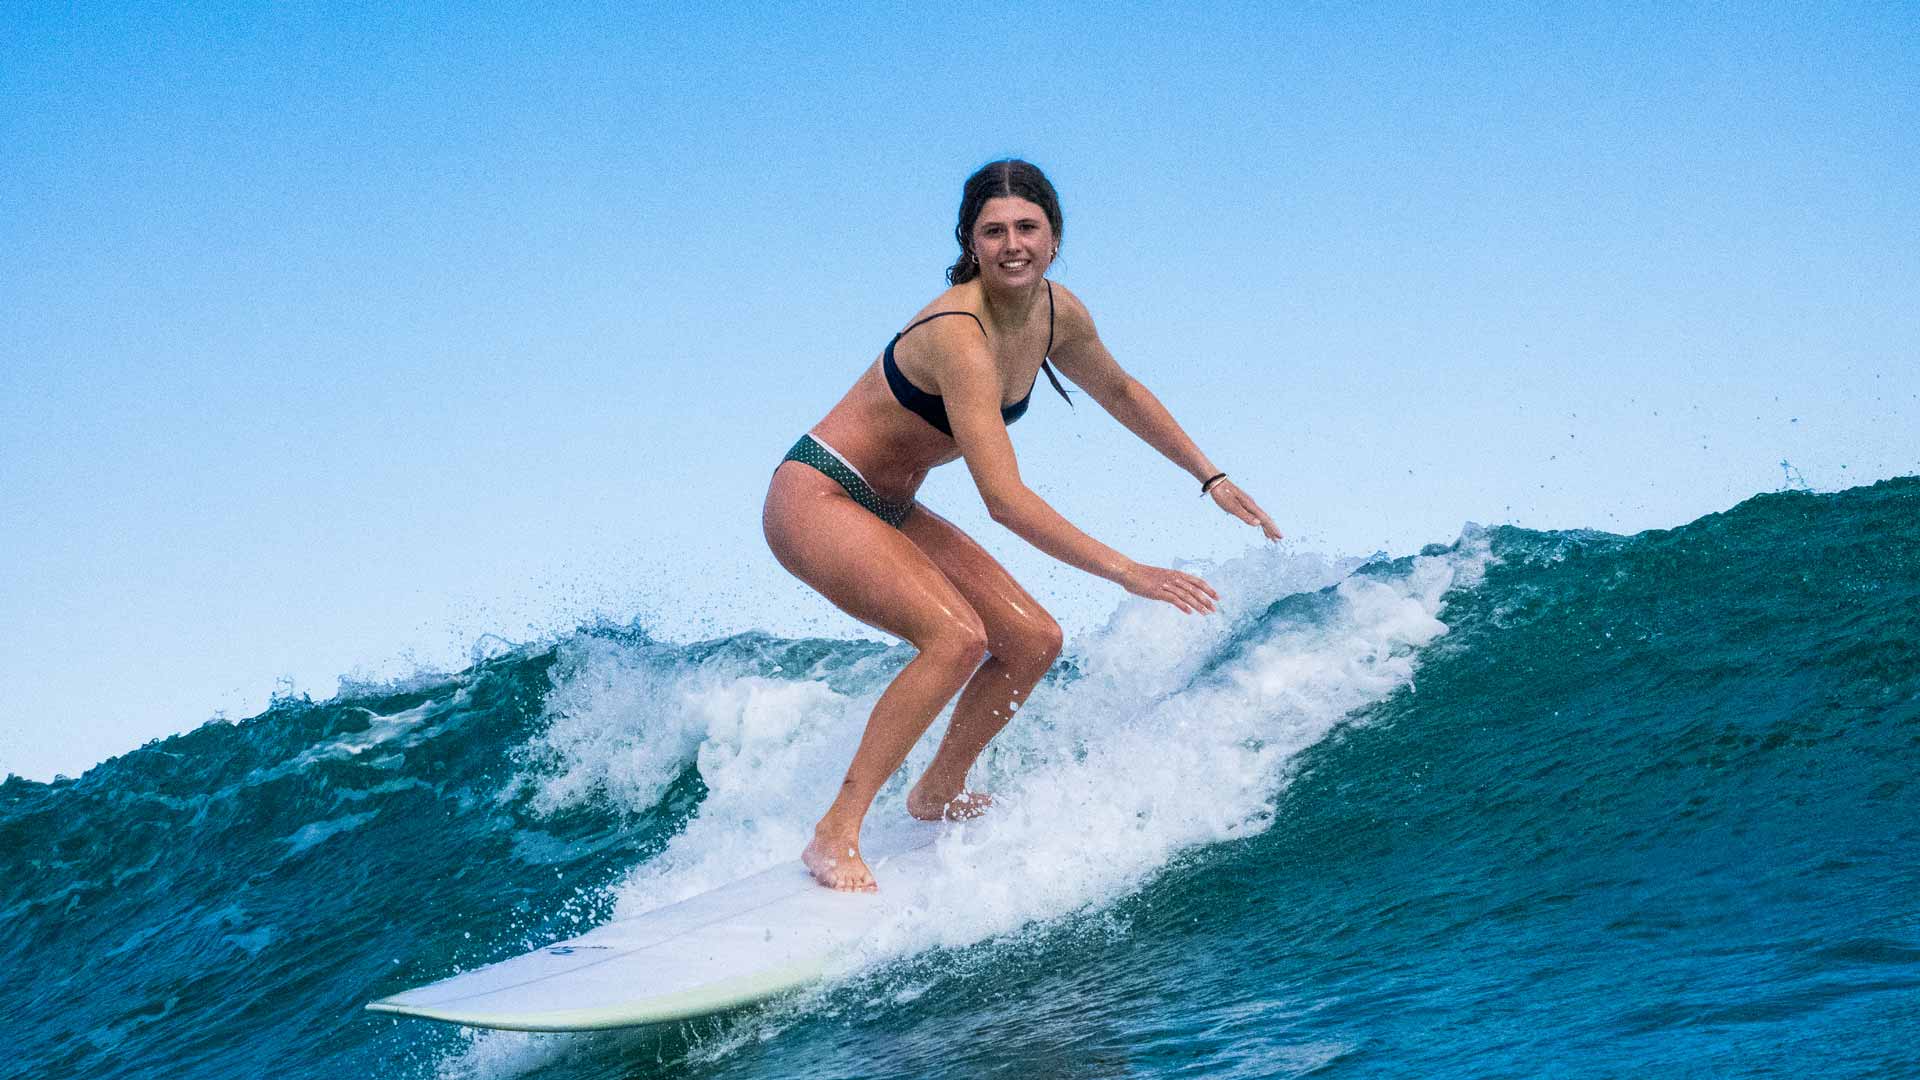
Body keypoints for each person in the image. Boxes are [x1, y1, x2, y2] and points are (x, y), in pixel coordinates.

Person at [763, 159, 1283, 892]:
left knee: (1034, 640)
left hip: (891, 503)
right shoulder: (958, 333)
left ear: (1055, 235)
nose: (1013, 244)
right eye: (994, 230)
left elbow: (1121, 389)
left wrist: (1210, 476)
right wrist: (1130, 572)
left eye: (1028, 228)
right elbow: (1003, 499)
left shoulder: (1054, 313)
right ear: (970, 243)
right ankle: (834, 832)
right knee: (956, 638)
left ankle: (936, 792)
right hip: (818, 494)